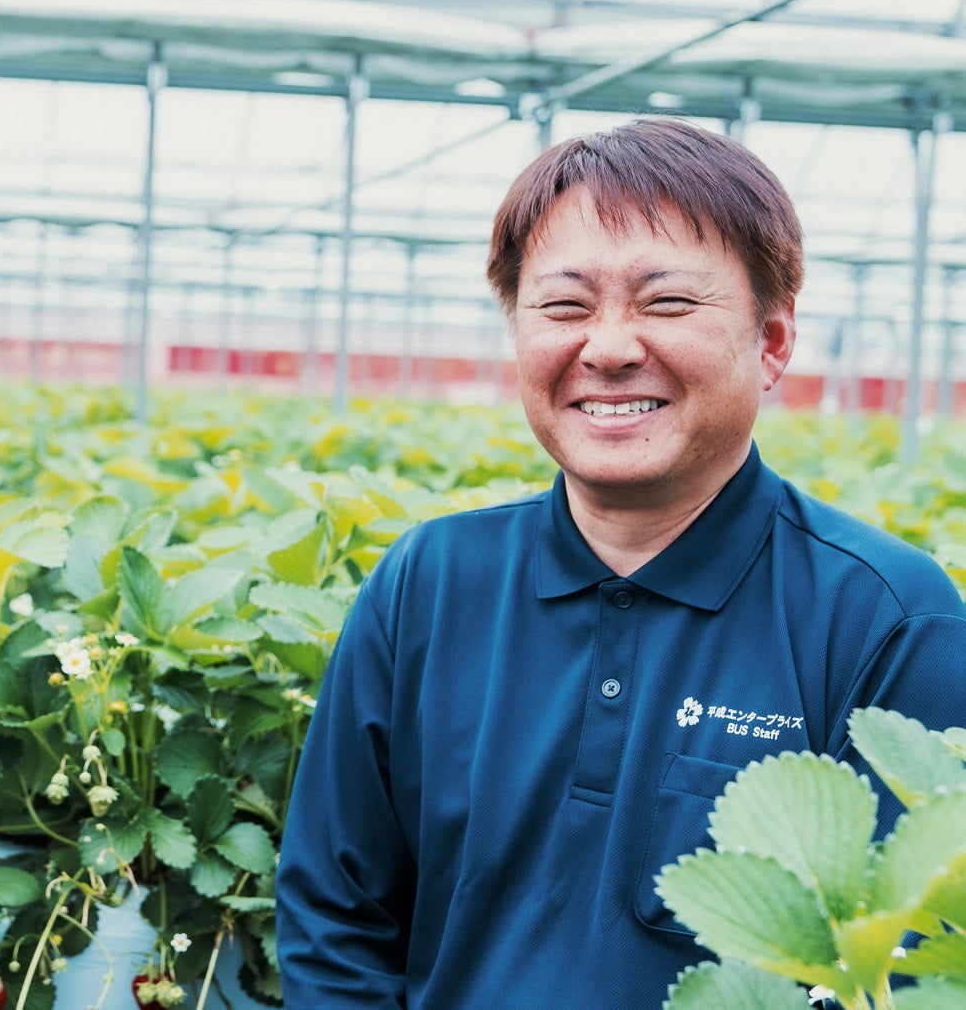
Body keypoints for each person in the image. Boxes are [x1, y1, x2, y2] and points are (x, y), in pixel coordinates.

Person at [275, 118, 966, 1007]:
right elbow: (335, 920)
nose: (605, 347)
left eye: (665, 302)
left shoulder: (888, 618)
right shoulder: (430, 582)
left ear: (772, 343)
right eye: (563, 306)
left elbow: (911, 966)